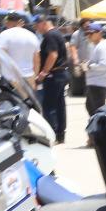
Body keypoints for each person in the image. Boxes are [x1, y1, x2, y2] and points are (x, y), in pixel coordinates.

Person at [32, 12, 69, 143]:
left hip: (54, 75)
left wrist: (43, 73)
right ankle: (60, 134)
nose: (36, 28)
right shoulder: (57, 33)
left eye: (37, 25)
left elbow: (53, 55)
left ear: (43, 23)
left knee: (49, 107)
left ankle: (52, 134)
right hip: (60, 74)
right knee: (59, 105)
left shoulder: (50, 35)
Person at [81, 23, 106, 124]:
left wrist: (89, 66)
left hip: (99, 83)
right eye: (87, 34)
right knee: (90, 108)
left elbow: (105, 65)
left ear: (99, 33)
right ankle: (94, 134)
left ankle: (98, 134)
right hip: (94, 82)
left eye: (91, 34)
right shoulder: (94, 45)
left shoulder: (102, 46)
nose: (88, 36)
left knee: (97, 111)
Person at [0, 13, 40, 84]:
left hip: (11, 79)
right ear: (20, 22)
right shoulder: (32, 36)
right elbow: (37, 60)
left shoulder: (4, 35)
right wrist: (34, 78)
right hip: (29, 77)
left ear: (8, 22)